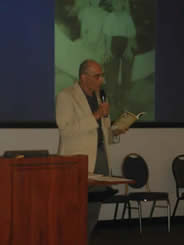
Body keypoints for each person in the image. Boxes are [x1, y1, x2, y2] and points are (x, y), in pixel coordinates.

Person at [56, 59, 126, 244]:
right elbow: (66, 130)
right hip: (77, 161)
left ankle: (83, 240)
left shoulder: (99, 97)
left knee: (94, 208)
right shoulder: (66, 96)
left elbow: (102, 132)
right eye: (97, 76)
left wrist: (115, 130)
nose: (101, 80)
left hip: (100, 157)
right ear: (83, 77)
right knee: (75, 210)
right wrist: (96, 115)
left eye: (102, 75)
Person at [103, 0, 137, 120]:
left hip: (125, 44)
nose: (116, 5)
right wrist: (108, 50)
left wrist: (128, 49)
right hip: (113, 44)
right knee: (111, 70)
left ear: (123, 4)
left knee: (127, 71)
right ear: (111, 4)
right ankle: (111, 100)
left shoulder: (127, 17)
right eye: (114, 3)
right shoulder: (109, 17)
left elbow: (131, 34)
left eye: (119, 3)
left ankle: (124, 101)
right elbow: (107, 35)